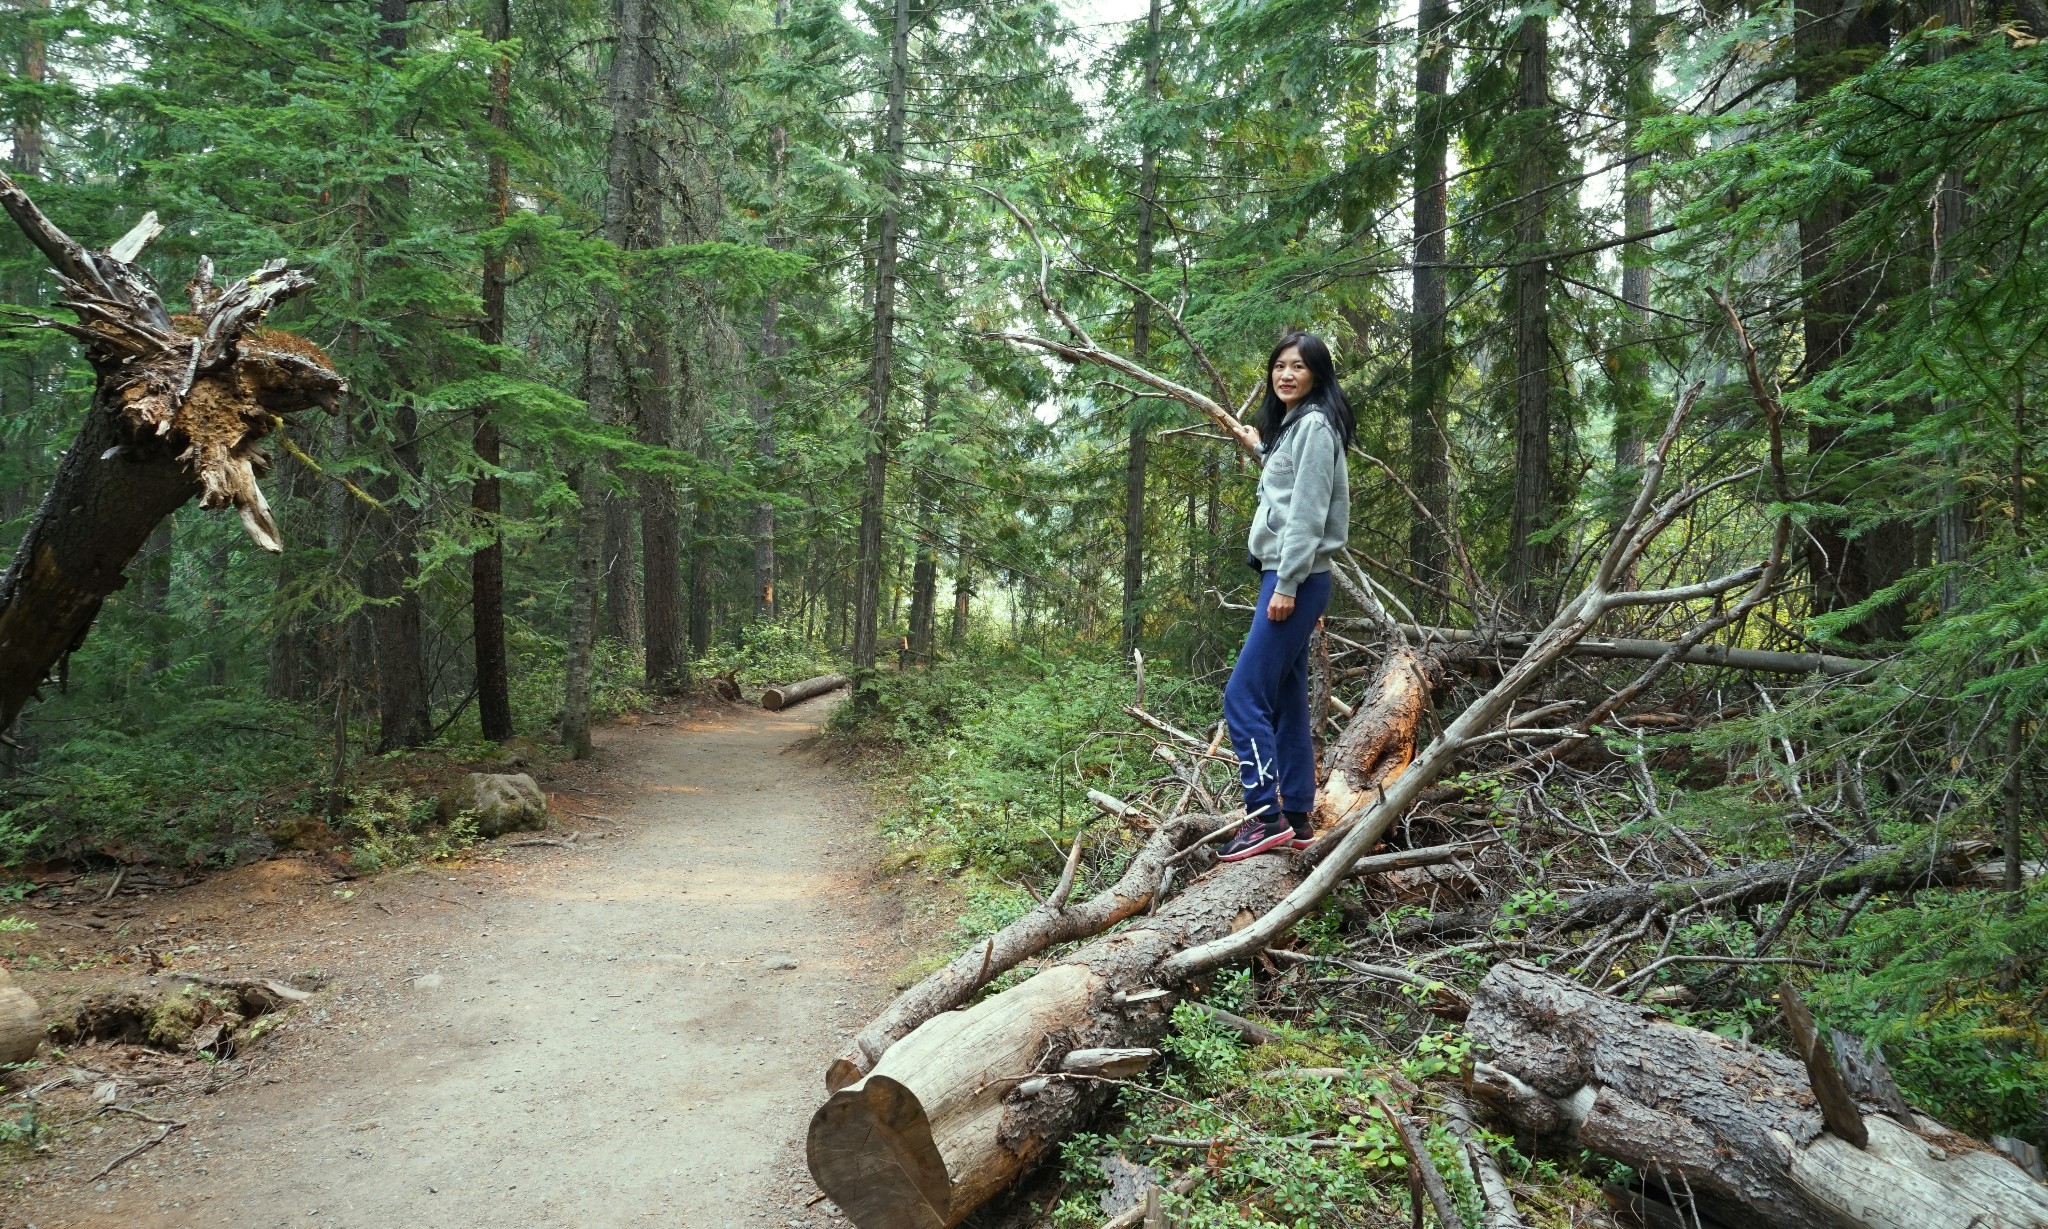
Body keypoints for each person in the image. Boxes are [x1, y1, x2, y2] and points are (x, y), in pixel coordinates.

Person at [1216, 331, 1354, 861]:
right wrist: (1257, 445)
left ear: (1318, 374)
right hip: (1285, 575)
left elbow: (1306, 514)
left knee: (1243, 697)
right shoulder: (1298, 426)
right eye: (1279, 366)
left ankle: (1262, 816)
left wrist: (1288, 584)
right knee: (1289, 702)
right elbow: (1286, 480)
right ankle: (1295, 815)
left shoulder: (1316, 426)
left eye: (1298, 366)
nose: (1286, 374)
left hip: (1292, 578)